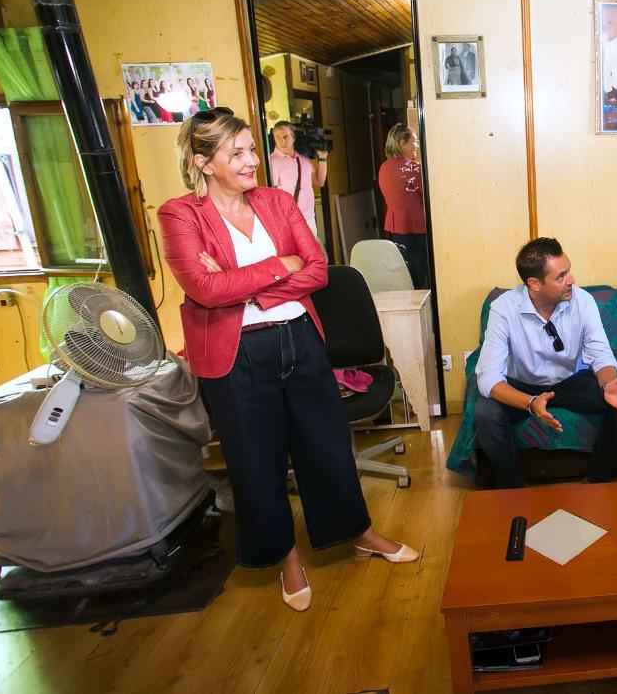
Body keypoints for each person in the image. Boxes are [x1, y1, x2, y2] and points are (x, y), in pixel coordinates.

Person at [157, 107, 418, 613]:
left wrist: (248, 286)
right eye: (237, 153)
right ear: (203, 162)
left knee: (327, 448)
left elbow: (317, 270)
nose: (253, 160)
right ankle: (286, 556)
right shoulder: (179, 215)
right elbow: (205, 291)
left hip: (299, 337)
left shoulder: (277, 202)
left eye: (252, 149)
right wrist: (278, 267)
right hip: (236, 354)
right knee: (257, 462)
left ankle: (359, 532)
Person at [473, 238, 617, 489]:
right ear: (534, 284)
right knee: (485, 414)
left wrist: (608, 384)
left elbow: (601, 354)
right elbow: (488, 378)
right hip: (522, 386)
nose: (572, 280)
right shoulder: (503, 309)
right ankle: (513, 489)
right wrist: (530, 403)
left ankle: (596, 481)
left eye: (569, 271)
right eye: (561, 276)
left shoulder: (582, 301)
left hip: (570, 381)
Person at [376, 123, 429, 289]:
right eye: (414, 141)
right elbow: (428, 196)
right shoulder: (412, 168)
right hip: (416, 226)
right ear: (402, 143)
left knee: (404, 270)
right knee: (420, 271)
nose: (416, 146)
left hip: (396, 226)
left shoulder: (384, 167)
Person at [267, 120, 328, 238]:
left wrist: (323, 159)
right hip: (289, 220)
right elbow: (271, 194)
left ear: (293, 138)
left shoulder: (303, 159)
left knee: (313, 254)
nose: (281, 141)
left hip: (309, 217)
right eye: (277, 137)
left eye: (285, 137)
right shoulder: (272, 162)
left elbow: (319, 181)